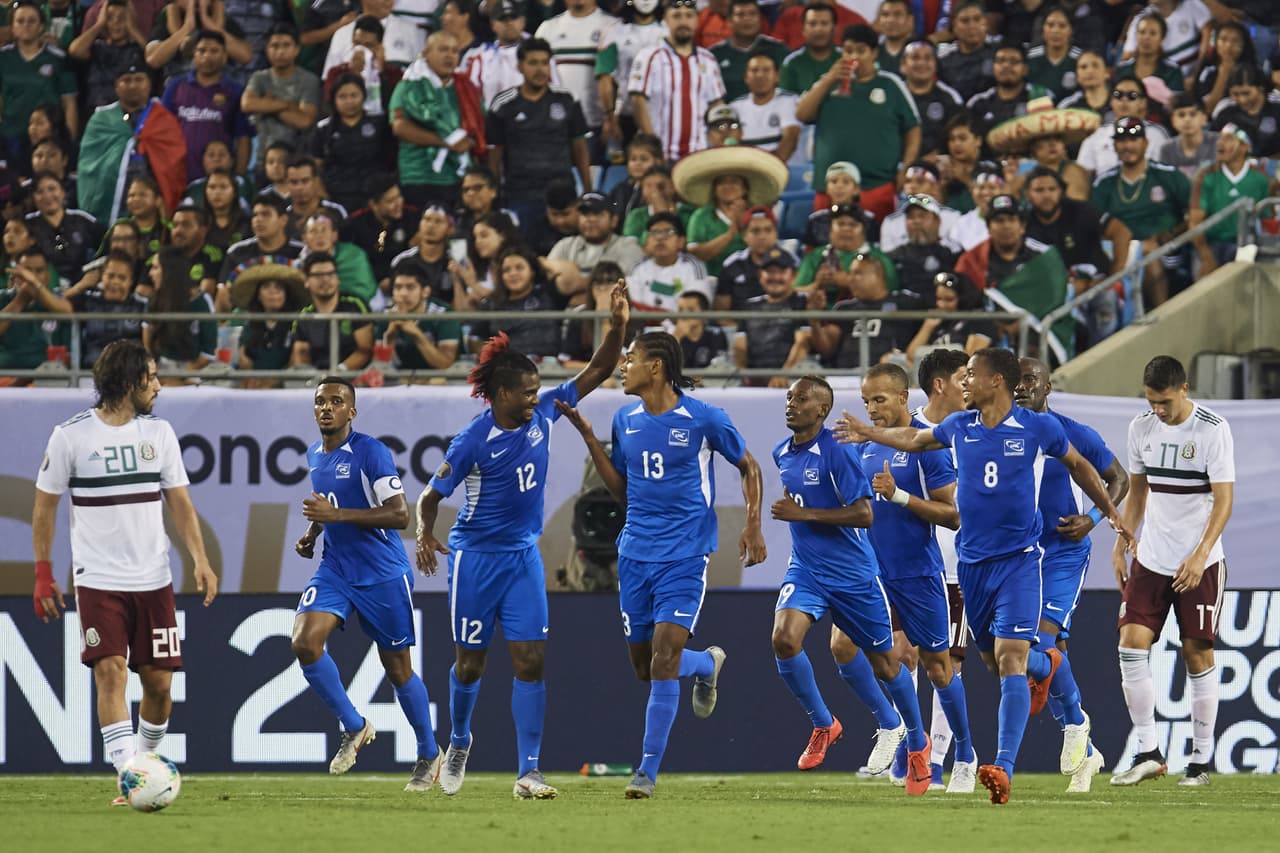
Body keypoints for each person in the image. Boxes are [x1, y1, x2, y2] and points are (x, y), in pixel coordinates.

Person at [836, 347, 1132, 805]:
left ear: (997, 381)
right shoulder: (959, 427)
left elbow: (1082, 467)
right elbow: (916, 440)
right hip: (973, 565)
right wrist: (866, 431)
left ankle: (1003, 767)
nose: (964, 381)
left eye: (972, 374)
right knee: (996, 661)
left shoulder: (1040, 428)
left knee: (1011, 656)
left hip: (1021, 559)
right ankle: (1047, 664)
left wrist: (1107, 514)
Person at [414, 281, 630, 798]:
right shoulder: (472, 440)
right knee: (471, 662)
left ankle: (528, 771)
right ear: (503, 394)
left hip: (522, 558)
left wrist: (618, 324)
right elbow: (429, 495)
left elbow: (598, 370)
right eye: (529, 391)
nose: (539, 396)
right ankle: (460, 739)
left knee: (531, 660)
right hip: (475, 559)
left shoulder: (547, 412)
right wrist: (424, 531)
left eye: (539, 390)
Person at [555, 330, 767, 799]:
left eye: (630, 359)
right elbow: (623, 492)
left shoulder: (704, 417)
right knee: (645, 665)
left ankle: (645, 773)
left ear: (656, 367)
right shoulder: (624, 418)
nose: (622, 366)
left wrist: (752, 524)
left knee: (664, 657)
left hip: (687, 553)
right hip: (635, 553)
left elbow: (749, 466)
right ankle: (707, 664)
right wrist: (590, 437)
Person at [32, 339, 217, 804]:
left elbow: (180, 503)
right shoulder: (71, 436)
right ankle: (129, 775)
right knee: (110, 671)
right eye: (151, 377)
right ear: (130, 381)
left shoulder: (159, 435)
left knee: (159, 685)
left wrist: (200, 559)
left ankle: (147, 761)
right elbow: (43, 507)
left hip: (153, 579)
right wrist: (42, 573)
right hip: (97, 579)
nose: (159, 385)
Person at [290, 376, 442, 789]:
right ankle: (354, 726)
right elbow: (330, 506)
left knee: (398, 670)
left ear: (351, 412)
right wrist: (312, 534)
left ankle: (430, 753)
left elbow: (399, 516)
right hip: (337, 568)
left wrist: (333, 518)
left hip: (382, 573)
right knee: (304, 641)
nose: (326, 407)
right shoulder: (315, 455)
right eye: (320, 401)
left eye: (336, 401)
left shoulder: (371, 453)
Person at [846, 363, 976, 793]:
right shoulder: (865, 447)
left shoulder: (927, 445)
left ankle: (965, 754)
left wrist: (900, 496)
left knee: (940, 669)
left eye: (879, 400)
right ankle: (910, 744)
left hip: (921, 572)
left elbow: (953, 515)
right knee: (864, 652)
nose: (872, 409)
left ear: (904, 397)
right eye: (866, 402)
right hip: (875, 573)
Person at [1110, 354, 1234, 788]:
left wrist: (1200, 555)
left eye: (1164, 402)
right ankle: (1149, 752)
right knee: (1130, 644)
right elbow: (1139, 491)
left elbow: (1223, 501)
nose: (1158, 410)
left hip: (1200, 562)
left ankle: (1199, 764)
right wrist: (1123, 543)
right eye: (1151, 402)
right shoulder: (1140, 428)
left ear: (1184, 389)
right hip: (1153, 558)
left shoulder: (1212, 430)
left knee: (1196, 653)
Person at [1014, 356, 1129, 792]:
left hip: (1063, 552)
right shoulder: (1003, 433)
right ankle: (1086, 750)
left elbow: (1118, 478)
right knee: (1054, 650)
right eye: (1018, 382)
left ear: (1048, 386)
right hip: (1020, 555)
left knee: (1039, 644)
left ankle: (1074, 725)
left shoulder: (1073, 433)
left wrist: (1094, 519)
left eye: (1032, 381)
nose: (1024, 388)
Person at [910, 346, 972, 785]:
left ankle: (940, 759)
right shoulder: (906, 429)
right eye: (963, 377)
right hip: (909, 563)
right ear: (940, 384)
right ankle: (912, 749)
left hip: (958, 564)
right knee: (898, 656)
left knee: (948, 662)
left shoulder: (976, 428)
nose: (970, 385)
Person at [796, 24, 920, 221]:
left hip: (877, 184)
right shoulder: (827, 83)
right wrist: (829, 80)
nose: (854, 56)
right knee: (826, 243)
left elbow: (913, 128)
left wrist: (906, 166)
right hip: (830, 187)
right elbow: (802, 114)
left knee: (874, 245)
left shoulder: (891, 84)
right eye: (848, 51)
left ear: (874, 53)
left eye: (861, 51)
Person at [487, 37, 592, 232]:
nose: (540, 69)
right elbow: (494, 155)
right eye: (533, 63)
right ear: (519, 67)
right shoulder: (503, 105)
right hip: (520, 193)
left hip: (563, 192)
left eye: (545, 63)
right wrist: (495, 195)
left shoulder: (567, 99)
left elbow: (580, 147)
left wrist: (587, 190)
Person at [1090, 118, 1191, 307]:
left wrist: (1171, 234)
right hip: (1120, 253)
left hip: (1168, 251)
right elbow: (1095, 226)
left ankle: (1160, 318)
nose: (1127, 146)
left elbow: (1194, 214)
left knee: (1150, 256)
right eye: (1121, 141)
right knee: (1145, 253)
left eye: (1133, 140)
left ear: (1145, 143)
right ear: (1114, 145)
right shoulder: (1104, 184)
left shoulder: (1168, 174)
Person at [388, 30, 486, 211]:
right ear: (426, 54)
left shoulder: (466, 89)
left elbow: (478, 128)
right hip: (418, 177)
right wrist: (447, 142)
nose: (450, 56)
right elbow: (400, 127)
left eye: (455, 51)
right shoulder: (408, 86)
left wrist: (470, 142)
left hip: (458, 177)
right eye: (443, 50)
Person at [628, 0, 726, 162]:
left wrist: (717, 140)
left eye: (689, 16)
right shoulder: (649, 57)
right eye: (676, 16)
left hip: (698, 154)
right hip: (661, 154)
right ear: (666, 20)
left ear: (697, 20)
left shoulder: (708, 60)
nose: (683, 21)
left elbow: (717, 105)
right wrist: (653, 147)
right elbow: (638, 102)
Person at [161, 29, 252, 181]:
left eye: (214, 51)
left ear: (224, 56)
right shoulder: (176, 86)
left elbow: (243, 138)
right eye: (202, 50)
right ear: (194, 55)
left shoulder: (235, 92)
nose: (207, 56)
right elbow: (161, 130)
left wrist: (239, 178)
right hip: (177, 175)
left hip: (218, 179)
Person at [535, 0, 617, 160]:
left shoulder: (612, 26)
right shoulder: (547, 28)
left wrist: (611, 118)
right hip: (556, 126)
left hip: (598, 124)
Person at [812, 253, 925, 369]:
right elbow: (827, 349)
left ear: (878, 275)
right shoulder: (843, 308)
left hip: (889, 376)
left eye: (857, 273)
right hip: (845, 377)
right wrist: (814, 320)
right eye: (850, 273)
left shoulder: (906, 303)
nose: (850, 279)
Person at [0, 1, 78, 163]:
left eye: (31, 21)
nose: (26, 25)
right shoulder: (3, 58)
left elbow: (69, 104)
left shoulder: (58, 58)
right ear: (12, 26)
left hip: (48, 141)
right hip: (10, 137)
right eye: (20, 21)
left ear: (42, 25)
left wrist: (69, 143)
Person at [242, 24, 322, 176]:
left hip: (297, 162)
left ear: (296, 49)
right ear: (267, 49)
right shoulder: (260, 78)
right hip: (263, 161)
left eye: (286, 46)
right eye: (274, 46)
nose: (280, 51)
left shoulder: (308, 80)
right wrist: (287, 105)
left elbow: (304, 121)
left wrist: (267, 105)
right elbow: (247, 104)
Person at [312, 73, 395, 216]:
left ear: (363, 96)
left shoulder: (380, 124)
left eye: (354, 95)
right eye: (342, 96)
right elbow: (315, 169)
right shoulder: (324, 129)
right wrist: (325, 199)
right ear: (334, 99)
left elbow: (391, 161)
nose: (349, 101)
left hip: (372, 197)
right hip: (337, 197)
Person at [1192, 122, 1269, 268]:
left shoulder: (1261, 179)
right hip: (1211, 244)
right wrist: (1205, 255)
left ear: (1245, 146)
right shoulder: (1206, 175)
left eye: (1228, 139)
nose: (1220, 143)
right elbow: (1195, 222)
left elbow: (1268, 221)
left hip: (1246, 245)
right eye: (1220, 138)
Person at [733, 247, 812, 387]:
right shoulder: (750, 305)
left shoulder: (802, 302)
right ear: (760, 275)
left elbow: (803, 343)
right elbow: (740, 346)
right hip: (753, 376)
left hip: (792, 377)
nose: (775, 277)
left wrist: (785, 373)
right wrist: (744, 373)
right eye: (769, 272)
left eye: (781, 272)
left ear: (793, 275)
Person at [143, 246, 217, 382]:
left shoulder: (202, 302)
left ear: (170, 271)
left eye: (155, 268)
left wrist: (179, 377)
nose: (150, 273)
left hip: (194, 370)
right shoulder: (154, 299)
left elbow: (208, 354)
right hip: (160, 369)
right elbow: (147, 344)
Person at [290, 252, 374, 371]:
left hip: (353, 378)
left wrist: (337, 372)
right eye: (318, 275)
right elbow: (301, 354)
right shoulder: (304, 315)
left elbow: (365, 351)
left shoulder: (356, 305)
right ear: (306, 281)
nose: (325, 280)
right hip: (316, 379)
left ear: (338, 278)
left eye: (330, 274)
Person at [232, 262, 308, 389]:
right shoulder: (250, 324)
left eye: (279, 287)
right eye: (266, 287)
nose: (273, 291)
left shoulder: (298, 322)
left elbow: (297, 361)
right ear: (258, 296)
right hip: (254, 388)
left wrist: (273, 382)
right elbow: (244, 359)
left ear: (286, 294)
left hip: (287, 388)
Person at [378, 267, 460, 373]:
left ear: (425, 292)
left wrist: (416, 334)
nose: (403, 294)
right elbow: (380, 365)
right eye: (398, 288)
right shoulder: (386, 315)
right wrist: (390, 337)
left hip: (442, 378)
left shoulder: (443, 314)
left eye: (410, 287)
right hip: (402, 377)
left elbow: (445, 364)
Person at [627, 212, 712, 312]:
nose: (660, 238)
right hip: (644, 325)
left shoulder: (693, 266)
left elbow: (694, 307)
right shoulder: (638, 267)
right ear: (648, 241)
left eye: (669, 232)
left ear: (681, 241)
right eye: (654, 232)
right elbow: (633, 306)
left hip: (681, 324)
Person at [710, 0, 789, 102]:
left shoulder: (779, 50)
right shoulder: (714, 55)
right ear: (729, 21)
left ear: (760, 19)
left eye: (752, 14)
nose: (747, 19)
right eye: (740, 14)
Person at [899, 40, 965, 160]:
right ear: (903, 64)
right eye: (915, 57)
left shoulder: (949, 97)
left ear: (935, 65)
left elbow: (959, 134)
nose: (922, 63)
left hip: (938, 165)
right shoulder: (894, 94)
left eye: (928, 58)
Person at [730, 51, 801, 162]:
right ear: (746, 77)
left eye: (766, 70)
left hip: (782, 167)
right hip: (747, 167)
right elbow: (731, 142)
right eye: (754, 70)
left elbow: (791, 137)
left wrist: (771, 166)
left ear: (777, 76)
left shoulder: (790, 100)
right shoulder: (735, 107)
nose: (760, 75)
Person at [464, 0, 532, 109]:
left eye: (513, 18)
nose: (509, 23)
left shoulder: (538, 54)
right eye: (502, 19)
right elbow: (469, 99)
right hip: (493, 122)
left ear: (523, 21)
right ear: (493, 25)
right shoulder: (481, 59)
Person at [936, 0, 995, 103]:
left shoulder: (999, 53)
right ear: (954, 26)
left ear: (985, 22)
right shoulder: (943, 60)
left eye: (977, 19)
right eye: (965, 21)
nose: (972, 26)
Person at [778, 2, 837, 97]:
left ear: (834, 29)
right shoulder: (791, 63)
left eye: (824, 23)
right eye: (812, 24)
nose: (818, 29)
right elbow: (785, 103)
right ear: (803, 30)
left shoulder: (845, 58)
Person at [1158, 92, 1220, 177]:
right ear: (1173, 120)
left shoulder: (1218, 143)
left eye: (1193, 114)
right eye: (1181, 115)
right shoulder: (1167, 149)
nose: (1187, 120)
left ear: (1204, 118)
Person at [671, 290, 729, 367]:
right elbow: (670, 369)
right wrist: (677, 337)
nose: (684, 314)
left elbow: (719, 367)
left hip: (708, 378)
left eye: (691, 310)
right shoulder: (671, 332)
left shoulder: (715, 333)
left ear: (703, 313)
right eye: (681, 310)